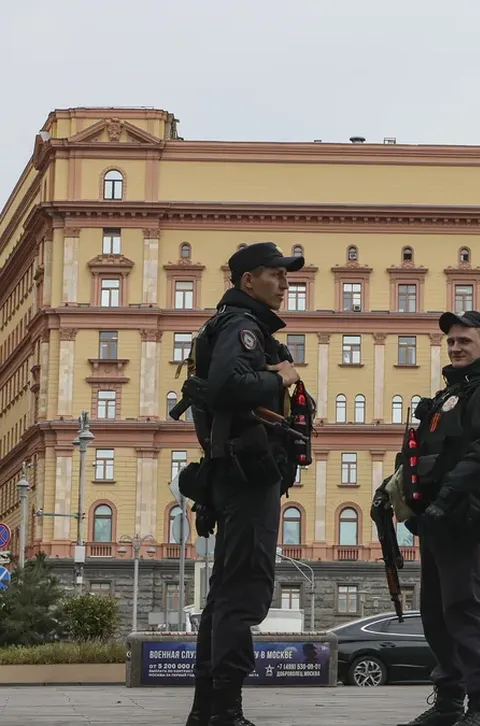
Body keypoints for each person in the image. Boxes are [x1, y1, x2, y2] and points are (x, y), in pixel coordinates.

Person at [181, 242, 305, 726]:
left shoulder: (234, 325)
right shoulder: (242, 327)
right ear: (247, 280)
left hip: (237, 470)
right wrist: (280, 377)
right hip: (248, 472)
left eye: (286, 274)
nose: (285, 282)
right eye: (276, 274)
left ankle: (206, 709)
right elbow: (229, 387)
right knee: (244, 592)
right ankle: (226, 712)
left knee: (225, 594)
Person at [397, 311, 480, 726]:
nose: (455, 348)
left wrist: (446, 498)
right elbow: (422, 452)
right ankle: (449, 700)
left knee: (464, 608)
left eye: (464, 341)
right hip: (432, 518)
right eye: (451, 342)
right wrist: (400, 497)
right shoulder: (451, 393)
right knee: (435, 611)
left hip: (459, 515)